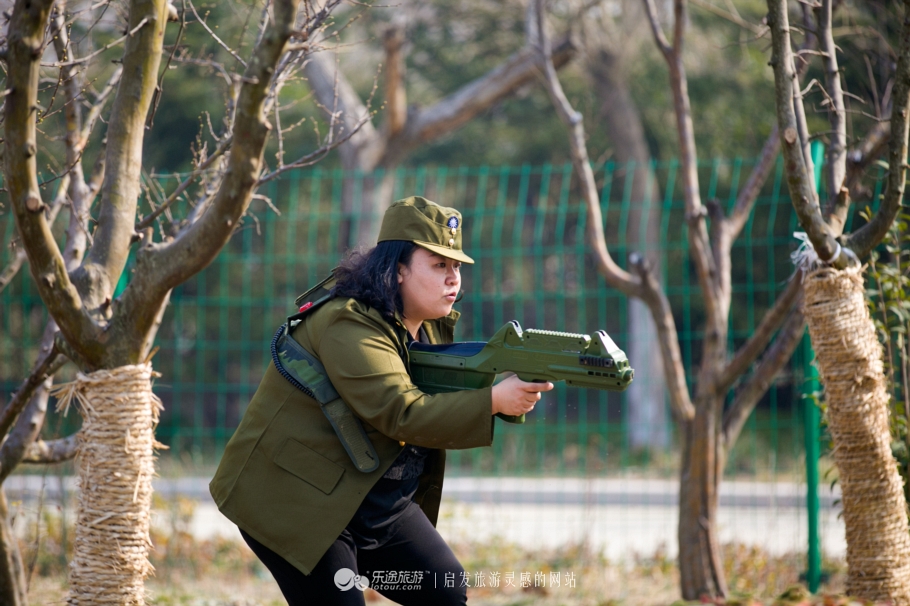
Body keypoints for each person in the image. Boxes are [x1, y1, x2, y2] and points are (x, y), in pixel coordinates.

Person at [210, 196, 553, 605]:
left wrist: (505, 383)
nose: (453, 279)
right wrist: (493, 401)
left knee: (443, 590)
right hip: (295, 500)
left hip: (369, 501)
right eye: (439, 265)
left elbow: (438, 396)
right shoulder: (349, 323)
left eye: (457, 266)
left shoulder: (427, 326)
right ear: (398, 269)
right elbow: (402, 413)